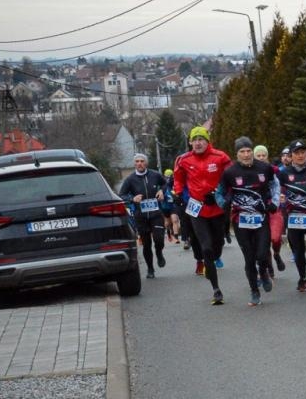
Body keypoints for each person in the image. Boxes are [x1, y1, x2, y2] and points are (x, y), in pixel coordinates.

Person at [172, 126, 232, 304]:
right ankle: (216, 289)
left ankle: (212, 260)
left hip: (218, 209)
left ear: (207, 141)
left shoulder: (220, 157)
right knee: (206, 247)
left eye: (201, 139)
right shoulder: (183, 160)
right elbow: (178, 180)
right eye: (194, 140)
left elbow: (231, 179)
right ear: (190, 142)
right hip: (196, 209)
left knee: (217, 246)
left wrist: (220, 195)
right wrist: (181, 196)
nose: (198, 143)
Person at [221, 136, 280, 306]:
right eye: (242, 152)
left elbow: (275, 186)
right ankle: (254, 291)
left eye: (248, 151)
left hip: (261, 218)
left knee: (262, 254)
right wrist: (223, 203)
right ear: (237, 154)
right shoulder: (230, 173)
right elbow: (221, 192)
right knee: (249, 258)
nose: (246, 154)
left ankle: (264, 272)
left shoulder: (265, 168)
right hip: (240, 220)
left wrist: (274, 203)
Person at [278, 140, 306, 293]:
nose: (300, 155)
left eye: (303, 152)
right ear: (291, 155)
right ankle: (303, 278)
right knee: (298, 250)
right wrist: (281, 200)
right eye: (297, 153)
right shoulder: (284, 173)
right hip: (293, 215)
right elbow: (279, 191)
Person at [117, 153, 167, 278]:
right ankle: (150, 269)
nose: (139, 163)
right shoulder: (130, 179)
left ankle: (159, 252)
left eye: (142, 161)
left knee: (159, 239)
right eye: (137, 161)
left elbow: (166, 183)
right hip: (141, 216)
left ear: (146, 163)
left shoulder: (155, 175)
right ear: (134, 164)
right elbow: (121, 195)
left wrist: (162, 191)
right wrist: (132, 198)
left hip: (156, 214)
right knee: (146, 244)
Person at [255, 144, 287, 273]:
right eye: (258, 155)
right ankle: (269, 266)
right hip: (258, 209)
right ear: (254, 156)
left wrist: (281, 198)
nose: (261, 158)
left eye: (264, 155)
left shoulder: (274, 170)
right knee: (264, 240)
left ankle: (277, 254)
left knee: (275, 238)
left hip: (274, 207)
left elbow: (282, 186)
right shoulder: (249, 172)